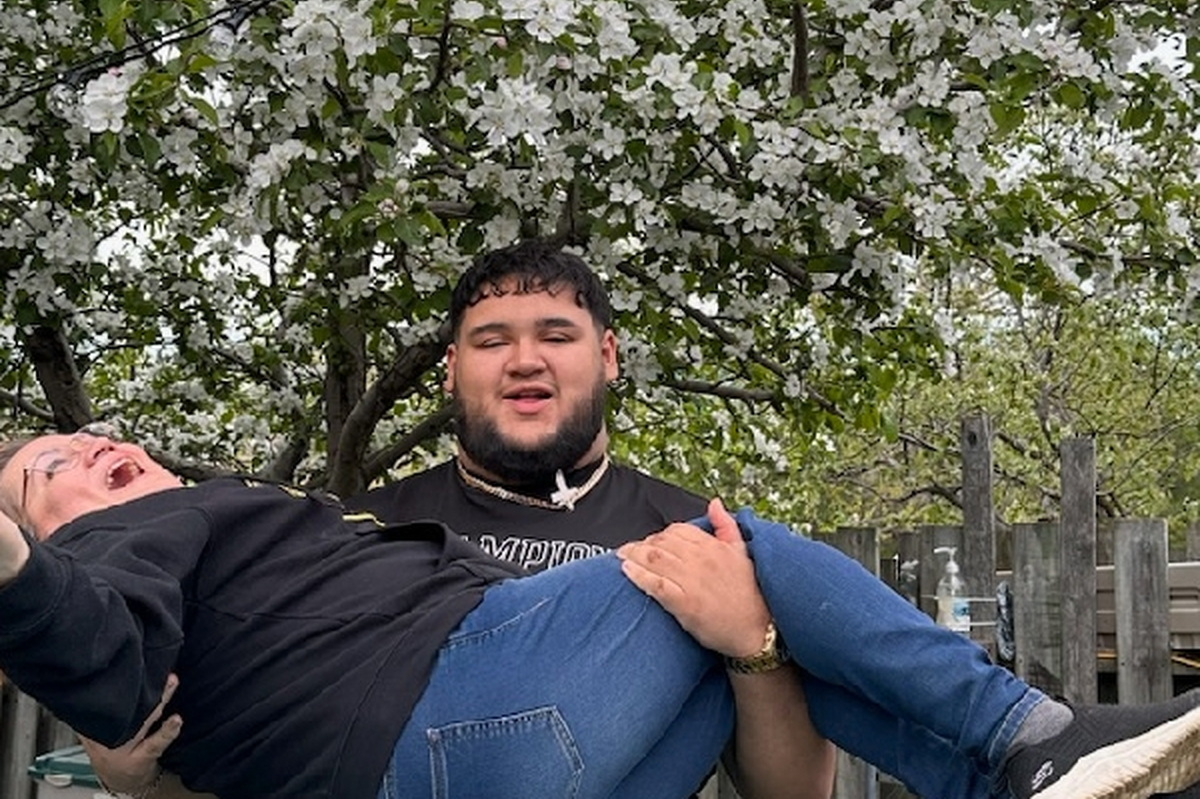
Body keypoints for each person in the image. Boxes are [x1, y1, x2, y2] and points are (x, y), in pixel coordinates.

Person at [3, 434, 1200, 799]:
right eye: (44, 467)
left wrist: (754, 651)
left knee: (726, 628)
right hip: (458, 719)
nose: (88, 447)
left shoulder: (240, 563)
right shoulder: (124, 544)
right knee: (715, 547)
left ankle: (1031, 782)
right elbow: (81, 637)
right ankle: (1025, 740)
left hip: (479, 762)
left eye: (92, 435)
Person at [80, 241, 831, 799]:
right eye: (492, 341)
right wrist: (135, 781)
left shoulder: (698, 534)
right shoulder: (360, 531)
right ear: (451, 369)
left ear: (607, 355)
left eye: (556, 336)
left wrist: (754, 649)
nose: (524, 360)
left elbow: (796, 795)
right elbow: (267, 769)